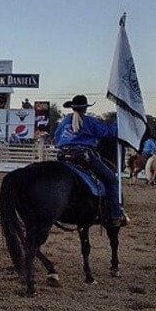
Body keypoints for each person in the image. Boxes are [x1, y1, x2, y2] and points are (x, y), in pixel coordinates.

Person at [54, 95, 125, 228]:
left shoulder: (64, 121)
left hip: (63, 155)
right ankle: (114, 215)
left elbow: (56, 138)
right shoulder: (89, 121)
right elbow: (107, 132)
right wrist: (118, 123)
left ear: (72, 107)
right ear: (85, 108)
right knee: (111, 180)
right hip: (82, 155)